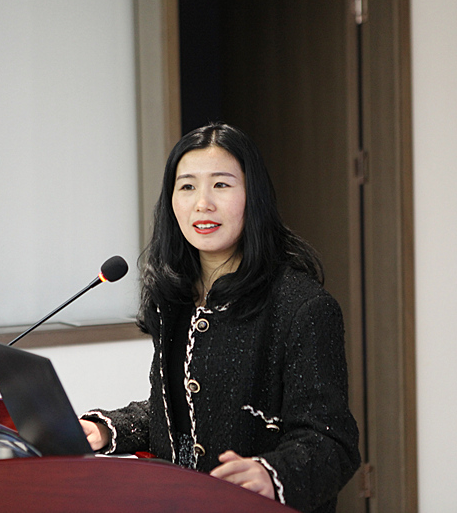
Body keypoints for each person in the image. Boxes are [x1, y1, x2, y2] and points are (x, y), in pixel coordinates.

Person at [80, 123, 360, 512]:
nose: (203, 203)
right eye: (187, 186)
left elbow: (332, 442)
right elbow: (176, 412)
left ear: (253, 196)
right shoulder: (174, 299)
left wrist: (271, 474)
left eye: (221, 185)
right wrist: (106, 429)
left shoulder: (303, 306)